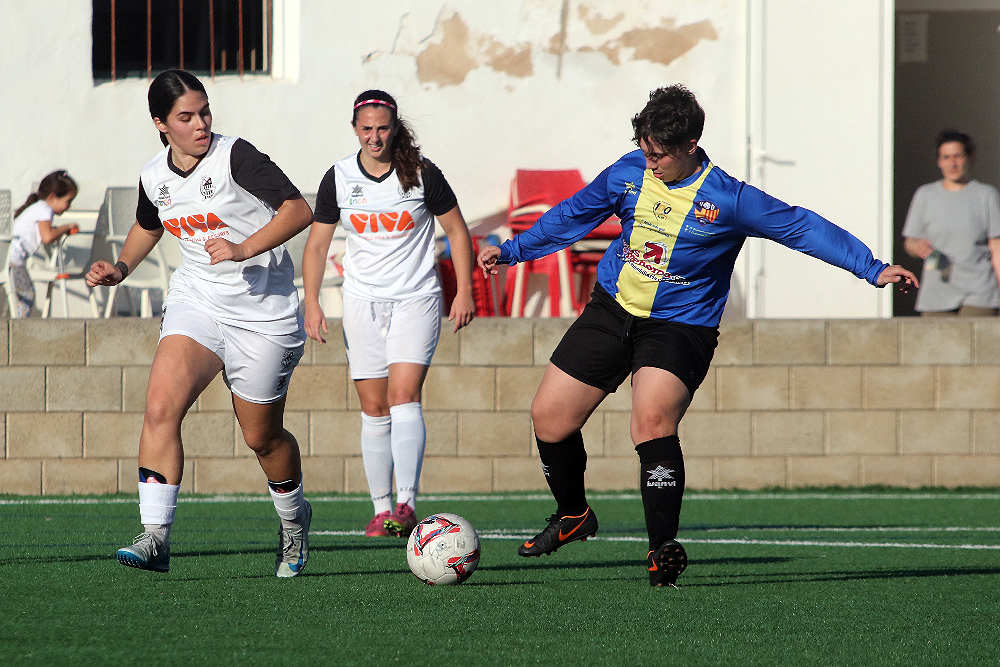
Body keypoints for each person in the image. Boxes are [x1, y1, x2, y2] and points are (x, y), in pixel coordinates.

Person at [477, 84, 918, 587]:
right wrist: (513, 251)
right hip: (612, 308)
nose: (649, 162)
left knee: (651, 419)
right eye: (644, 149)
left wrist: (873, 268)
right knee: (549, 418)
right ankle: (573, 514)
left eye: (659, 154)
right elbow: (574, 214)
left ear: (691, 145)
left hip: (680, 326)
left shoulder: (728, 199)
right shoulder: (629, 171)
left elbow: (801, 226)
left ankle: (661, 548)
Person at [85, 69, 314, 577]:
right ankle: (155, 537)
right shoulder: (154, 175)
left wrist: (242, 248)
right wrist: (120, 269)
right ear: (160, 124)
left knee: (262, 439)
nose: (200, 124)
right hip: (199, 300)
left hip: (263, 312)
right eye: (186, 117)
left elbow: (298, 210)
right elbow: (149, 224)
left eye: (204, 112)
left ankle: (295, 523)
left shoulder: (236, 156)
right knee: (160, 407)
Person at [301, 89, 475, 538]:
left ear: (394, 128)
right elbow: (318, 243)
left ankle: (406, 504)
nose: (374, 137)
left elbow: (456, 230)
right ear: (355, 130)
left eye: (382, 128)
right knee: (374, 406)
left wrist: (464, 291)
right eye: (366, 129)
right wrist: (313, 301)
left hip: (416, 299)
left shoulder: (421, 174)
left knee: (404, 396)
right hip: (361, 302)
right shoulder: (338, 177)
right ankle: (380, 509)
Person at [902, 130, 1000, 316]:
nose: (952, 163)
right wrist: (917, 247)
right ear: (939, 161)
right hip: (937, 292)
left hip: (979, 291)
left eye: (958, 156)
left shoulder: (986, 195)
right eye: (946, 157)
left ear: (970, 158)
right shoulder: (925, 195)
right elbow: (910, 243)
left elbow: (996, 247)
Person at [8, 171, 80, 317]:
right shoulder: (45, 210)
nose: (69, 206)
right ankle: (18, 329)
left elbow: (45, 233)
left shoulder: (37, 208)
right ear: (52, 197)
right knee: (26, 294)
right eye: (68, 200)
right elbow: (47, 237)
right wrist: (65, 227)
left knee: (10, 295)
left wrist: (57, 231)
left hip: (6, 256)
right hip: (13, 259)